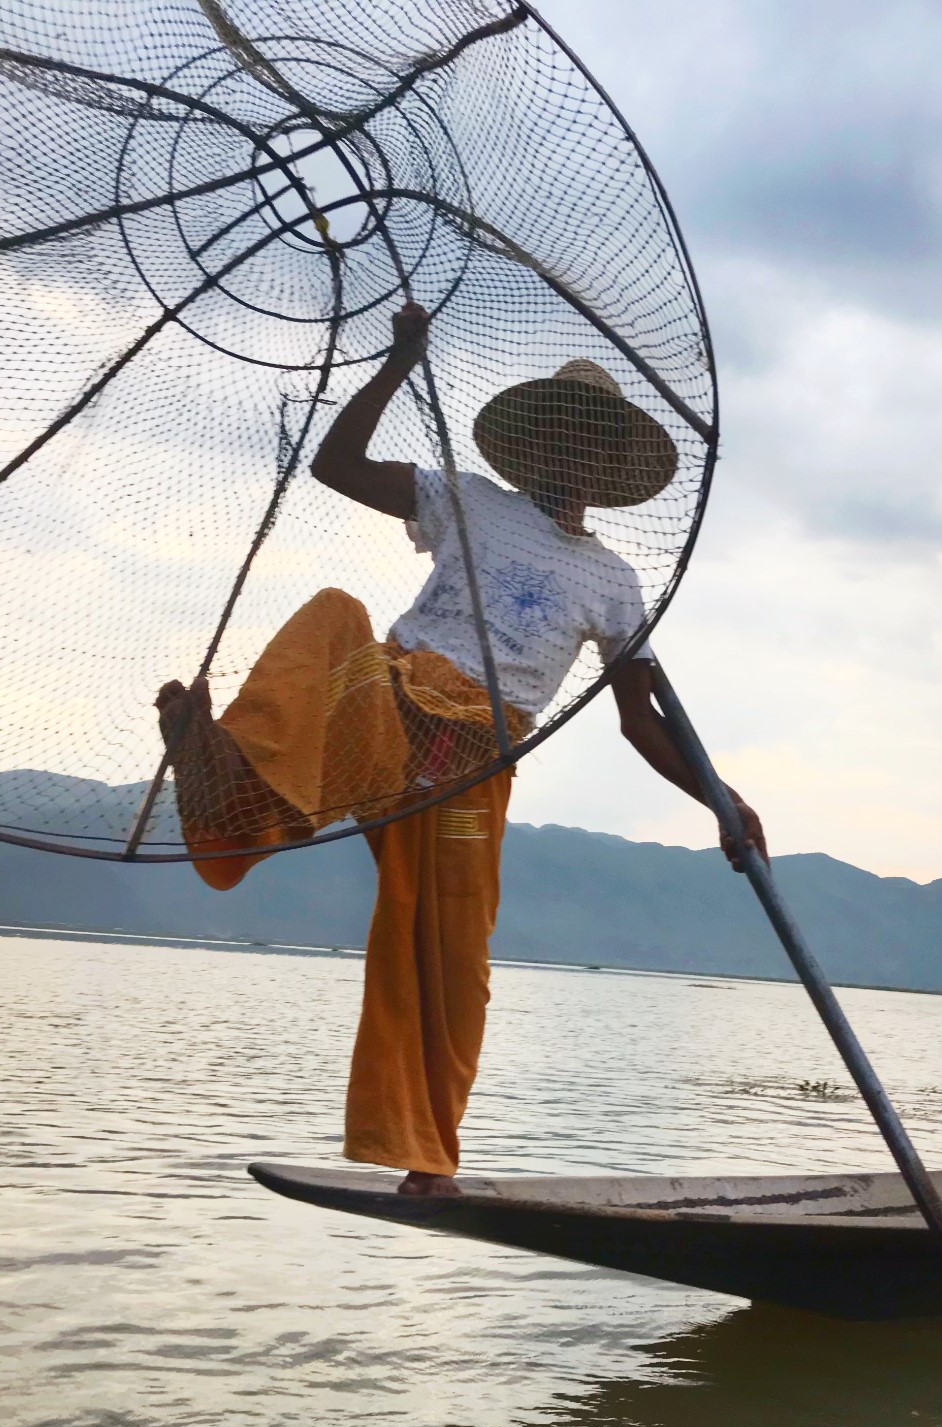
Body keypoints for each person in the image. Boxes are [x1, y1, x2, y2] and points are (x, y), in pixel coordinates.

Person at [157, 301, 764, 1195]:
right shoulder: (469, 499)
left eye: (589, 443)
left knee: (452, 957)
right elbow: (336, 466)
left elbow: (641, 721)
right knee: (335, 613)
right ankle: (221, 771)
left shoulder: (614, 582)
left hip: (472, 760)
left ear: (605, 462)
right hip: (389, 706)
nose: (572, 454)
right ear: (536, 446)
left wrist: (721, 798)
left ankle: (427, 1160)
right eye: (560, 436)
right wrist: (400, 364)